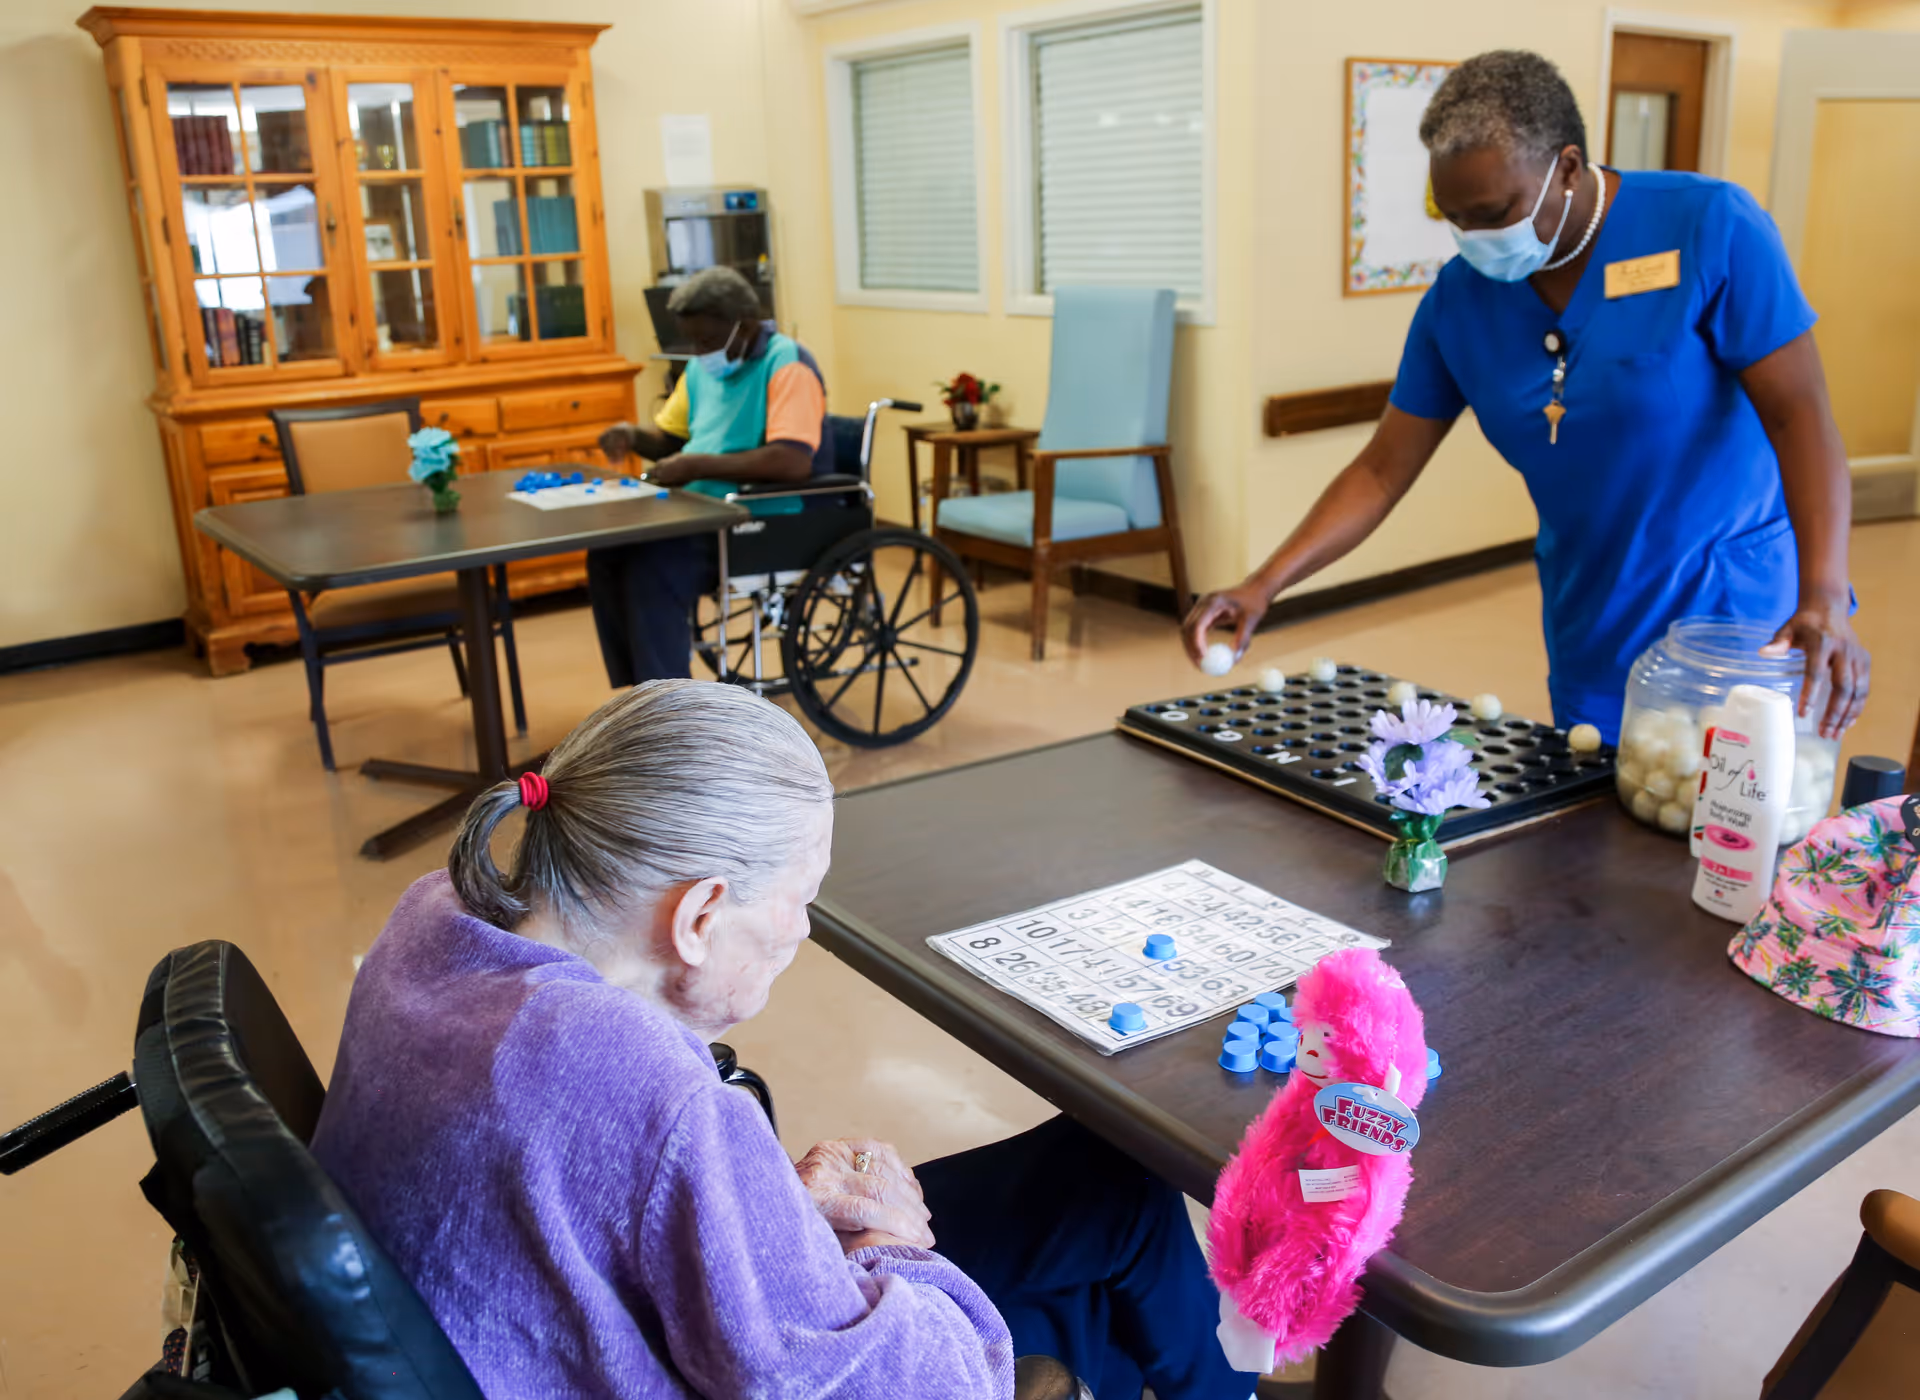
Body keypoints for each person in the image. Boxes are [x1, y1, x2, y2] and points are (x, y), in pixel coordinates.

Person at [311, 679, 1255, 1400]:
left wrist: (757, 1208)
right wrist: (895, 1246)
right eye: (797, 902)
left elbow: (620, 1191)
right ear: (699, 915)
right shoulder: (646, 1094)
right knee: (1102, 1226)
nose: (802, 934)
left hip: (523, 1327)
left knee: (1099, 1189)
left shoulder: (437, 919)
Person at [1185, 50, 1869, 743]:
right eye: (1454, 219)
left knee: (1738, 825)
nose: (1477, 240)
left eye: (1495, 212)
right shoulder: (1458, 302)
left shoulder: (1709, 227)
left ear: (1567, 168)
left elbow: (1800, 414)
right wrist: (1262, 583)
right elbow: (1381, 469)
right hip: (1596, 610)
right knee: (1607, 825)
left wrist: (1823, 594)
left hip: (1741, 615)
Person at [586, 267, 832, 689]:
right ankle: (640, 695)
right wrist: (631, 435)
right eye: (692, 340)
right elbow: (670, 438)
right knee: (607, 553)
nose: (699, 351)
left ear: (747, 326)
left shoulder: (787, 364)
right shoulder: (704, 368)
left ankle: (670, 709)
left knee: (654, 567)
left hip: (761, 518)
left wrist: (696, 465)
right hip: (702, 512)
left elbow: (792, 461)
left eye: (707, 341)